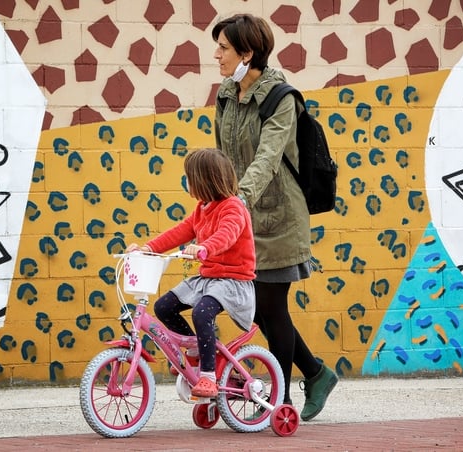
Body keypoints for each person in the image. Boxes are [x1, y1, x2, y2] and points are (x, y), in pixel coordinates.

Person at [211, 13, 338, 421]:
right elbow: (224, 155)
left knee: (271, 305)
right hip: (243, 216)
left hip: (280, 215)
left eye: (224, 48)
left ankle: (279, 402)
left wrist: (238, 199)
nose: (217, 55)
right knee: (256, 308)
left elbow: (267, 157)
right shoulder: (226, 94)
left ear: (247, 53)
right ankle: (316, 373)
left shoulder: (281, 97)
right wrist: (218, 200)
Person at [126, 148, 256, 398]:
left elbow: (227, 234)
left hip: (232, 280)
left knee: (202, 312)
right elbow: (179, 232)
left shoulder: (233, 207)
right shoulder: (201, 209)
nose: (186, 181)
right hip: (208, 278)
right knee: (164, 307)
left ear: (204, 180)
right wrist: (148, 249)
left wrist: (205, 247)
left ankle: (208, 376)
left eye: (189, 177)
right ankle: (196, 350)